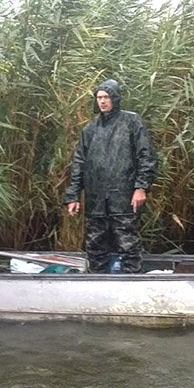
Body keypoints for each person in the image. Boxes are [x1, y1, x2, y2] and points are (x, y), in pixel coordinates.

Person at [64, 78, 157, 273]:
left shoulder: (132, 121)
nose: (103, 101)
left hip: (123, 196)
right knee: (95, 245)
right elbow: (79, 163)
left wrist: (141, 187)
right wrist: (73, 195)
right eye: (99, 97)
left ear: (115, 98)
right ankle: (97, 283)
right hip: (96, 198)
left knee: (128, 243)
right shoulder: (90, 129)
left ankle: (133, 283)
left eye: (106, 97)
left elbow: (146, 156)